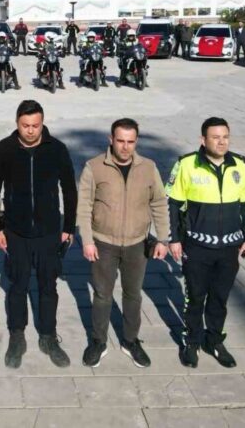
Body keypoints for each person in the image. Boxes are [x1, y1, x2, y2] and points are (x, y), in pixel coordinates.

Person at [0, 100, 78, 369]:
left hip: (49, 232)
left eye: (35, 125)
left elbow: (69, 189)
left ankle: (48, 336)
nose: (30, 130)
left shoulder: (56, 149)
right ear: (17, 123)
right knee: (17, 286)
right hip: (16, 232)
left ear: (42, 123)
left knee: (48, 286)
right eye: (25, 125)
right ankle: (17, 336)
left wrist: (68, 227)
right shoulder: (4, 149)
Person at [76, 118, 169, 368]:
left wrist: (163, 238)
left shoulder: (148, 168)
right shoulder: (94, 167)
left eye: (130, 141)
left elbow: (159, 203)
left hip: (137, 245)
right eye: (120, 141)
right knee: (102, 295)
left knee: (133, 295)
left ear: (136, 141)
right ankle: (98, 341)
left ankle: (130, 341)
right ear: (111, 140)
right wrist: (87, 241)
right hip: (103, 244)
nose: (125, 147)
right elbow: (83, 207)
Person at [165, 117, 245, 369]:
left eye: (225, 137)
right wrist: (174, 239)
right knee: (195, 298)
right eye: (215, 137)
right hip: (197, 247)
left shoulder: (239, 165)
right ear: (203, 140)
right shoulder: (186, 164)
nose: (221, 142)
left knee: (219, 299)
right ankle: (191, 342)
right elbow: (173, 204)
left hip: (229, 248)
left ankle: (214, 340)